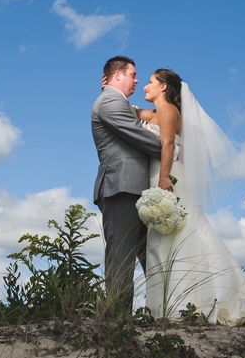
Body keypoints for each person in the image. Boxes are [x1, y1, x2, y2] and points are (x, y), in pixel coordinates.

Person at [137, 68, 245, 327]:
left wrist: (163, 177)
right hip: (159, 176)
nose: (144, 87)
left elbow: (168, 145)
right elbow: (135, 112)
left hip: (168, 176)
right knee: (164, 239)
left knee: (182, 234)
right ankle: (167, 306)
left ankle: (190, 304)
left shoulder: (169, 111)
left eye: (150, 82)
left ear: (163, 86)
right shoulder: (155, 112)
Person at [91, 56, 163, 315]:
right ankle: (118, 321)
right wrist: (173, 149)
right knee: (121, 258)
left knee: (152, 256)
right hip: (120, 187)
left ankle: (160, 313)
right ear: (117, 75)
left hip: (135, 189)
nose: (136, 80)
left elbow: (148, 119)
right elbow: (140, 137)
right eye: (133, 74)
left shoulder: (120, 103)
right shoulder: (109, 101)